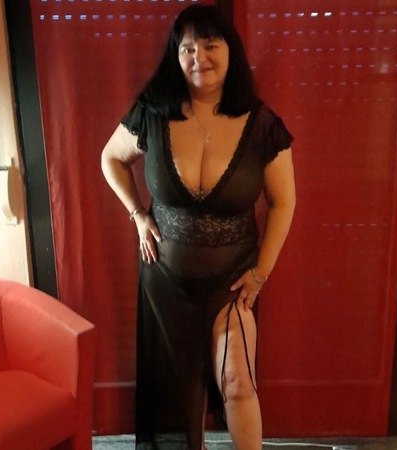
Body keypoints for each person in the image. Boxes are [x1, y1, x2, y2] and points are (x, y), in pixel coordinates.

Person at [101, 4, 295, 450]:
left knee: (238, 382)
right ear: (176, 54)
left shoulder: (263, 125)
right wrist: (138, 214)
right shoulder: (152, 112)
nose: (198, 57)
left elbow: (284, 202)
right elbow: (110, 158)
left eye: (210, 45)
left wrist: (261, 273)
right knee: (180, 398)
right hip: (165, 280)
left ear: (230, 51)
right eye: (187, 48)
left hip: (232, 283)